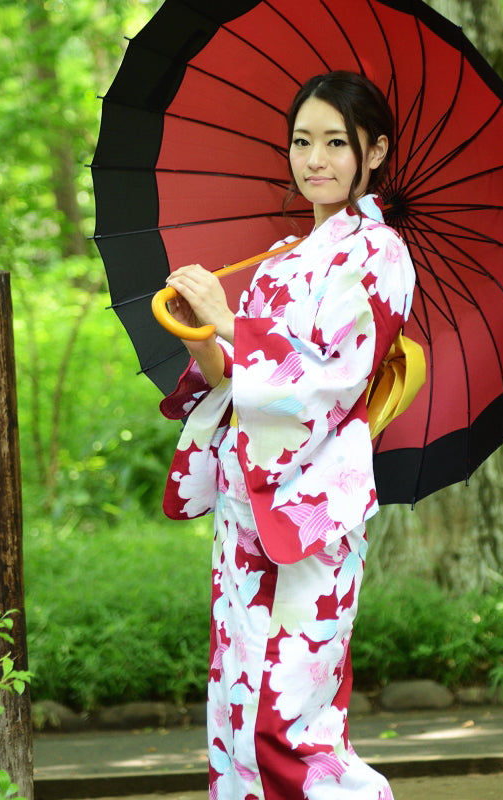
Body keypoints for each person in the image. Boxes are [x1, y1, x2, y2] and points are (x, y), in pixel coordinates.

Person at [160, 71, 415, 800]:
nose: (315, 160)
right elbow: (235, 378)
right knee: (236, 706)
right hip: (248, 506)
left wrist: (231, 321)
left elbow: (330, 380)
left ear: (375, 153)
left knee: (290, 719)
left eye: (336, 143)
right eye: (303, 142)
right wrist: (202, 331)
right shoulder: (280, 257)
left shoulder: (380, 255)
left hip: (310, 511)